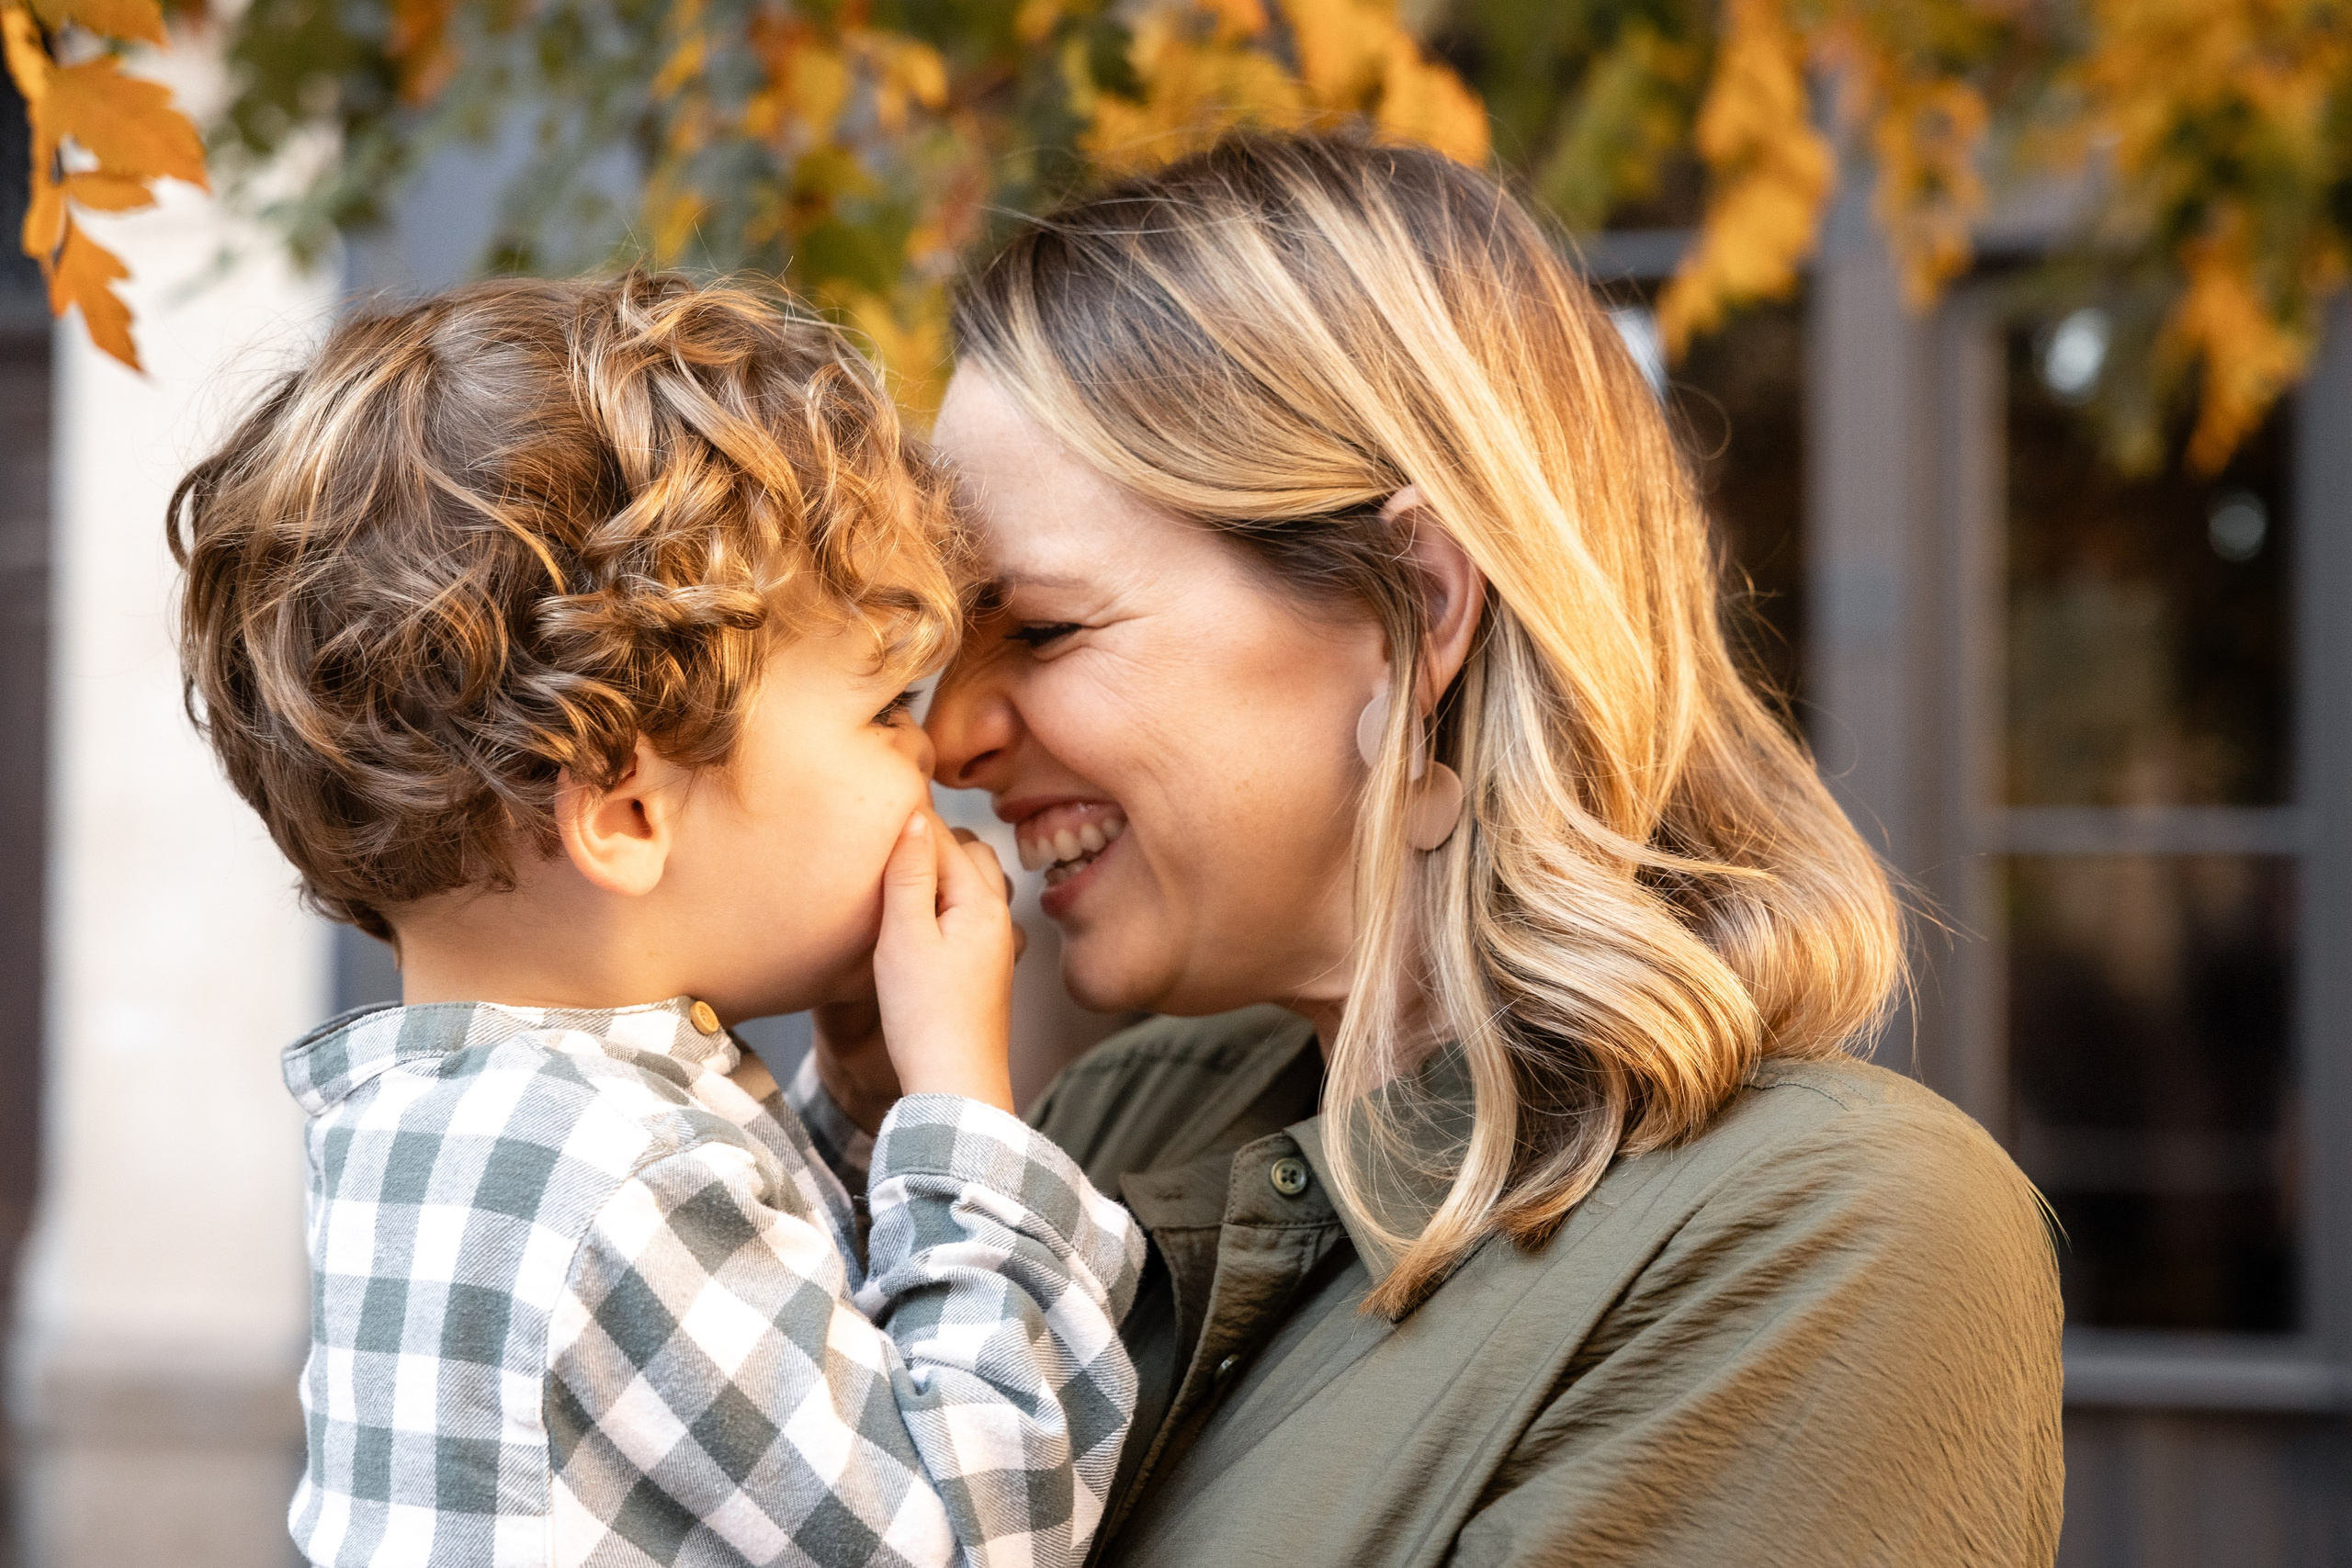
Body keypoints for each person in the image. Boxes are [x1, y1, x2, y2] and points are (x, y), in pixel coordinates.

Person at [894, 133, 2065, 1564]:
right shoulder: (1131, 1122)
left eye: (1044, 630)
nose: (946, 740)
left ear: (1416, 608)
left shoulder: (1833, 1238)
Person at [167, 273, 1144, 1568]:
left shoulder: (473, 1127)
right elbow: (972, 1531)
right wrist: (963, 1105)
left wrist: (861, 1093)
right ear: (626, 814)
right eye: (881, 713)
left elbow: (775, 1367)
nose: (935, 759)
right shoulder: (623, 1184)